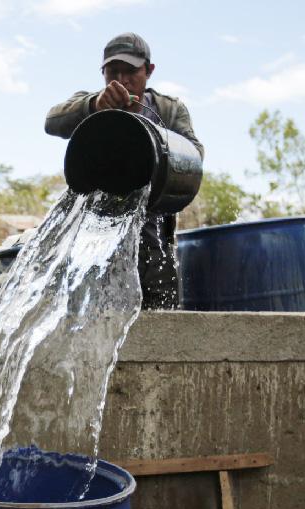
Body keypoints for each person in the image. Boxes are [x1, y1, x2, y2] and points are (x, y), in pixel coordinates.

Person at [45, 32, 204, 309]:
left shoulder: (168, 110)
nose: (121, 80)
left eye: (130, 71)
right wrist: (94, 106)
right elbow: (52, 122)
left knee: (161, 319)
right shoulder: (93, 103)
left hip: (156, 243)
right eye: (112, 72)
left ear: (149, 70)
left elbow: (194, 156)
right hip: (98, 243)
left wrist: (156, 143)